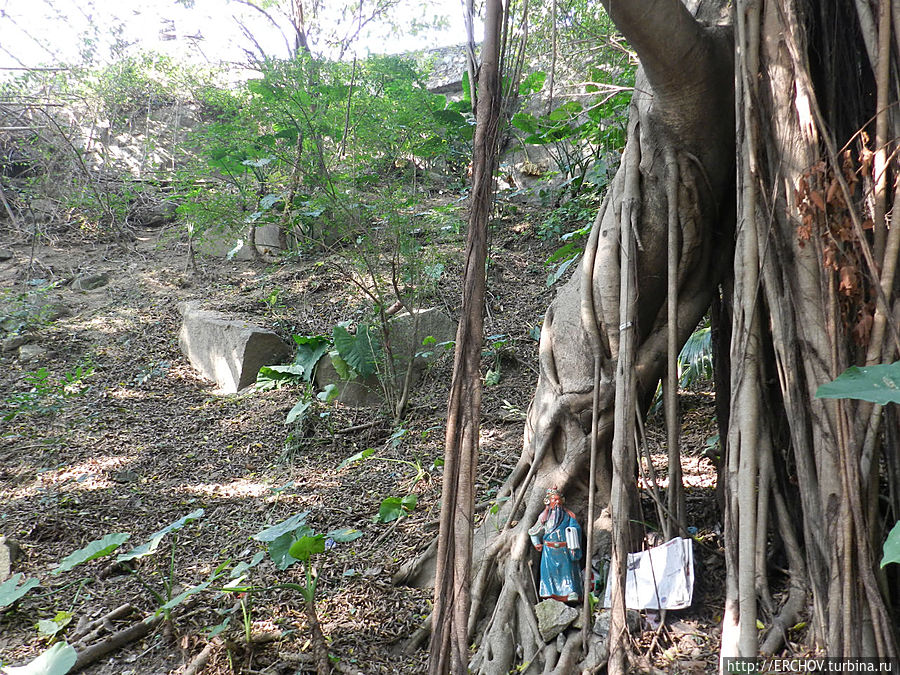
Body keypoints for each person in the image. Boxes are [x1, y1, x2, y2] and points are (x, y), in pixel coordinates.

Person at [528, 486, 583, 603]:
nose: (557, 502)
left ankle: (570, 592)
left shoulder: (568, 516)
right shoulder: (544, 517)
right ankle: (548, 593)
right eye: (554, 500)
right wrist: (536, 543)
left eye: (558, 500)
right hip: (549, 550)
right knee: (549, 574)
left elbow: (575, 528)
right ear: (548, 502)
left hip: (564, 550)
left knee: (567, 572)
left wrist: (572, 533)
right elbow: (534, 532)